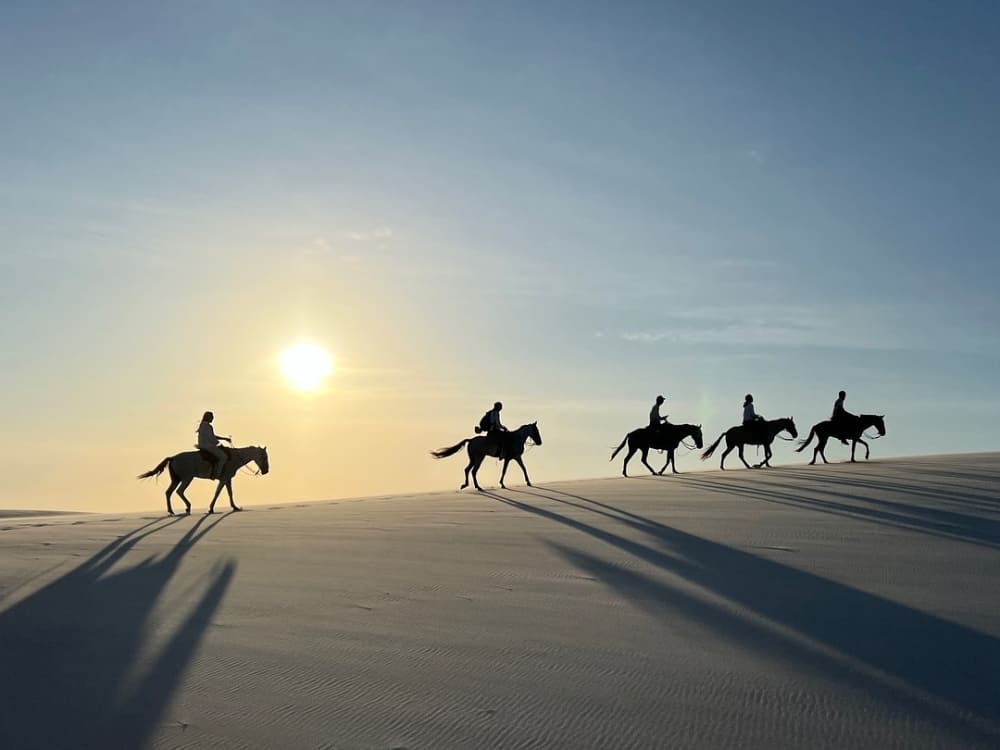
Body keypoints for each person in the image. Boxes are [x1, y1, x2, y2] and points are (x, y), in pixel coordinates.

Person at [197, 411, 232, 479]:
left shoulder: (202, 425)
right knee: (224, 457)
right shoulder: (208, 426)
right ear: (208, 418)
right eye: (212, 417)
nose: (212, 419)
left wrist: (224, 439)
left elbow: (212, 436)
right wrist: (219, 444)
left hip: (203, 445)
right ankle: (217, 474)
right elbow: (211, 438)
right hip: (208, 446)